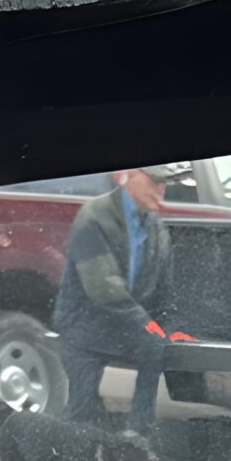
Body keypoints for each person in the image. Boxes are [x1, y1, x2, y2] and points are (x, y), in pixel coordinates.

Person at [53, 167, 176, 438]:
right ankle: (68, 459)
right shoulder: (94, 216)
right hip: (84, 327)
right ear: (130, 175)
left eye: (164, 183)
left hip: (124, 326)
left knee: (156, 349)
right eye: (154, 181)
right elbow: (103, 287)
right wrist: (147, 326)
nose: (161, 190)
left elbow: (164, 289)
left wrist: (166, 327)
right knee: (80, 412)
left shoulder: (157, 228)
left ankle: (137, 435)